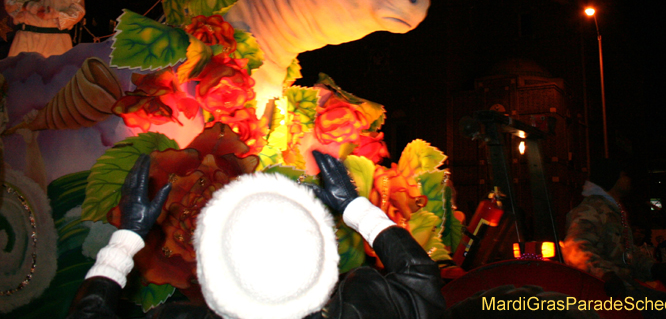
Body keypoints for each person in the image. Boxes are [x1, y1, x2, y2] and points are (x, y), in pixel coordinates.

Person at [67, 151, 445, 319]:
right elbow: (420, 276)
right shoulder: (367, 304)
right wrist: (355, 207)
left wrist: (128, 236)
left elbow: (89, 314)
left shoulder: (178, 318)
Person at [562, 159, 666, 319]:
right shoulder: (591, 211)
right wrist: (605, 275)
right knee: (665, 312)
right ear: (612, 178)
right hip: (606, 292)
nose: (628, 179)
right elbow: (576, 249)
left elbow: (627, 253)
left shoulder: (613, 211)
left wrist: (654, 268)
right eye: (623, 175)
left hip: (625, 285)